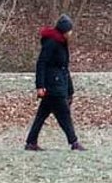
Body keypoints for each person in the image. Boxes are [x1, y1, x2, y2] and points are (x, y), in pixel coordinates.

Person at [24, 13, 85, 151]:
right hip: (53, 86)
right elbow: (41, 63)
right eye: (70, 30)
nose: (71, 33)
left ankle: (31, 142)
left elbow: (64, 68)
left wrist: (70, 90)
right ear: (64, 31)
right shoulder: (52, 43)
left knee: (42, 115)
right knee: (64, 114)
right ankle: (74, 142)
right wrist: (40, 85)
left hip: (58, 84)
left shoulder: (61, 43)